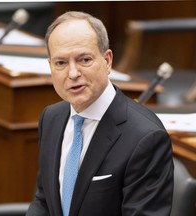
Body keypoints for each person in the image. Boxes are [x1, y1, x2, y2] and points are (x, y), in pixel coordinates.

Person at [26, 11, 174, 216]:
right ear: (50, 66)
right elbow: (43, 201)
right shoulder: (51, 118)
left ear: (107, 60)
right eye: (61, 63)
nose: (73, 73)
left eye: (84, 59)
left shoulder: (146, 137)